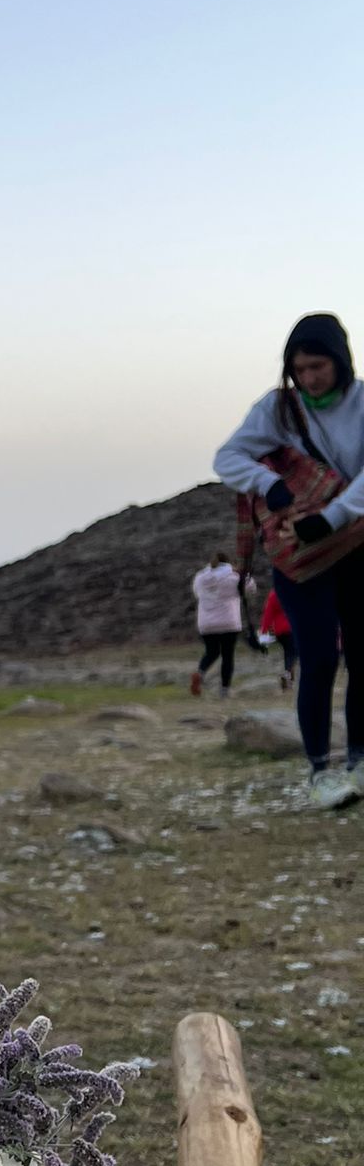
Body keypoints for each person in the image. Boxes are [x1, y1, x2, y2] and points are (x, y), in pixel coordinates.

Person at [214, 311, 364, 808]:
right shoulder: (279, 408)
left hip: (357, 542)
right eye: (300, 369)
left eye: (319, 367)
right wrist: (272, 487)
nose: (309, 378)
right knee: (319, 658)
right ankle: (321, 771)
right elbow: (228, 456)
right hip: (300, 553)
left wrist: (337, 514)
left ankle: (358, 763)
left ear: (340, 361)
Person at [189, 551, 248, 698]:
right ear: (229, 562)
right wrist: (242, 573)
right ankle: (224, 690)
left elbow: (197, 593)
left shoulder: (200, 576)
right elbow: (250, 587)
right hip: (229, 621)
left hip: (207, 623)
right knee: (228, 655)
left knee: (212, 651)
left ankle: (200, 673)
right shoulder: (233, 576)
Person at [259, 585, 297, 690]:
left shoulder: (274, 594)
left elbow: (268, 614)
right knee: (292, 653)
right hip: (292, 627)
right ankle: (288, 675)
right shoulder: (294, 590)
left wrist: (263, 631)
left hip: (279, 631)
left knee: (288, 652)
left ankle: (288, 677)